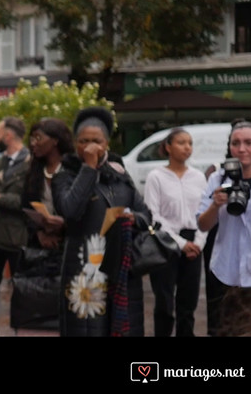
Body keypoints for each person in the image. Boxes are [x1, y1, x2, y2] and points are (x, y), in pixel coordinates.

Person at [52, 106, 150, 337]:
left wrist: (132, 218)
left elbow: (146, 214)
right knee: (87, 328)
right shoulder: (64, 176)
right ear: (76, 143)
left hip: (121, 265)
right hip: (85, 267)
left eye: (96, 140)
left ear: (106, 143)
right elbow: (70, 209)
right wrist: (88, 168)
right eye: (83, 140)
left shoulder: (120, 175)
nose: (90, 146)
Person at [143, 127, 207, 337]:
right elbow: (154, 215)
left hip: (195, 241)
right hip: (165, 241)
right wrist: (180, 243)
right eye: (181, 142)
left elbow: (204, 213)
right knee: (164, 301)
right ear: (168, 147)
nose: (187, 147)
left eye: (190, 143)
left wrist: (197, 243)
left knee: (188, 303)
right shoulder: (156, 176)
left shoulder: (198, 176)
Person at [12, 117, 73, 332]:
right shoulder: (34, 170)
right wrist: (39, 234)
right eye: (32, 138)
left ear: (55, 140)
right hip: (39, 247)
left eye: (39, 138)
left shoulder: (73, 168)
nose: (34, 143)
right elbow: (25, 207)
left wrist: (64, 226)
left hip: (69, 245)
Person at [197, 120, 251, 337]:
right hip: (225, 272)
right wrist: (215, 204)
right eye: (236, 143)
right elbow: (202, 224)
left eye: (249, 142)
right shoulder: (218, 178)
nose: (241, 149)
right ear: (229, 146)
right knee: (222, 331)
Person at [0, 116, 31, 336]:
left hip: (17, 237)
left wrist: (0, 199)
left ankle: (20, 329)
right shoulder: (3, 160)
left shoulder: (29, 161)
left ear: (8, 136)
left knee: (20, 289)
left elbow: (29, 201)